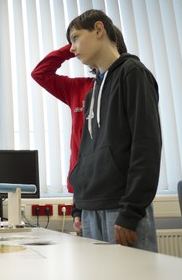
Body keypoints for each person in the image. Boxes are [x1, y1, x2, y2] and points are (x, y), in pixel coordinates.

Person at [67, 9, 162, 251]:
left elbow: (146, 146)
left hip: (121, 211)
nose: (71, 48)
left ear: (99, 30)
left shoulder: (133, 74)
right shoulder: (91, 94)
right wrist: (79, 205)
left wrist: (131, 212)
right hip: (89, 210)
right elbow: (85, 153)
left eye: (76, 37)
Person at [31, 27, 127, 235]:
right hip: (83, 191)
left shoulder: (123, 83)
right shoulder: (79, 89)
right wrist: (75, 47)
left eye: (77, 40)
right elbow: (40, 73)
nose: (74, 47)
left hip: (114, 190)